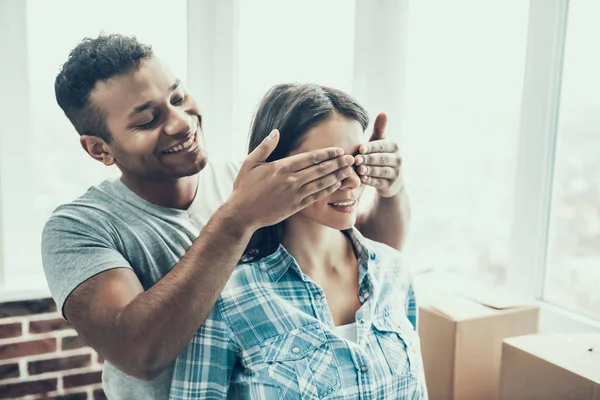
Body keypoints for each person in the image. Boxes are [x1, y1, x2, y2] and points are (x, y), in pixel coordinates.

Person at [41, 34, 410, 399]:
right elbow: (138, 353)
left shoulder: (257, 181)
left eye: (178, 97)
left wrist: (389, 189)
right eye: (148, 120)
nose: (181, 123)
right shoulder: (77, 229)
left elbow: (368, 259)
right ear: (99, 148)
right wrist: (239, 217)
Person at [170, 83, 426, 399]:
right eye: (326, 165)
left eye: (357, 160)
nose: (351, 181)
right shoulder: (227, 296)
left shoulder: (394, 271)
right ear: (274, 169)